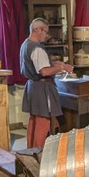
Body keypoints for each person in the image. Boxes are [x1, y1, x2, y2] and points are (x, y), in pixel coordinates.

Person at [20, 18, 73, 149]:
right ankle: (39, 156)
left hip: (32, 86)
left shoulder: (26, 44)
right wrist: (62, 68)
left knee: (33, 122)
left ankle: (30, 152)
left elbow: (38, 65)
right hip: (41, 88)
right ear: (37, 30)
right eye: (45, 32)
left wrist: (55, 64)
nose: (46, 35)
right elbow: (44, 71)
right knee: (43, 124)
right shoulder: (37, 48)